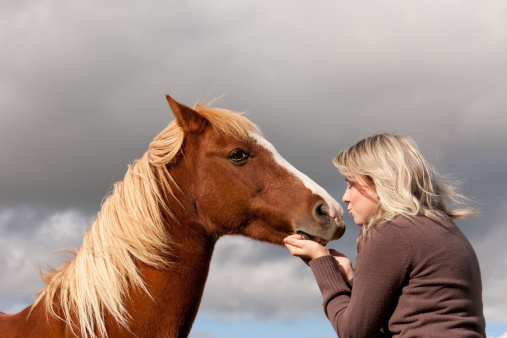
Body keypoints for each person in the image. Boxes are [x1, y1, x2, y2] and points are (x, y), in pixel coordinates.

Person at [284, 133, 486, 337]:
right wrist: (348, 277)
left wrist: (321, 263)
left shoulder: (392, 232)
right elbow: (401, 318)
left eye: (351, 184)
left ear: (380, 181)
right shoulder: (445, 230)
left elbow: (352, 332)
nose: (345, 198)